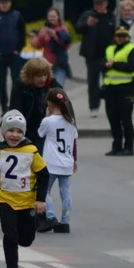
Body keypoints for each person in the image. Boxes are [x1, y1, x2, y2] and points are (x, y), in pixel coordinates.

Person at [0, 111, 48, 268]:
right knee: (10, 236)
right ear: (3, 132)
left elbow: (44, 174)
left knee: (25, 240)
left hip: (27, 201)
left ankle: (36, 221)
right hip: (6, 200)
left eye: (19, 131)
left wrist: (40, 199)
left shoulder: (31, 151)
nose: (14, 135)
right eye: (10, 131)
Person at [36, 88, 77, 234]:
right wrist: (75, 160)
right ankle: (65, 222)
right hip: (67, 162)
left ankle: (51, 216)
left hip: (51, 163)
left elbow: (40, 134)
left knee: (43, 191)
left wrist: (47, 116)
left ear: (49, 103)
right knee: (65, 192)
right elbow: (74, 142)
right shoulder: (70, 122)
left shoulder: (48, 121)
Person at [75, 0, 116, 118]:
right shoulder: (88, 15)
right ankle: (94, 106)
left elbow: (116, 33)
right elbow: (78, 29)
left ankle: (111, 105)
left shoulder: (110, 16)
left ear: (106, 4)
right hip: (92, 55)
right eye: (96, 4)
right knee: (92, 82)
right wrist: (87, 24)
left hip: (107, 55)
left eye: (100, 4)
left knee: (109, 82)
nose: (97, 6)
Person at [9, 56, 60, 153]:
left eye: (44, 75)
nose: (42, 79)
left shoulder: (53, 85)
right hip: (26, 130)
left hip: (44, 131)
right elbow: (14, 110)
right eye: (38, 76)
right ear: (30, 75)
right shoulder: (20, 86)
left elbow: (64, 105)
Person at [102, 27, 134, 157]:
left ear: (128, 37)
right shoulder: (109, 49)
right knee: (113, 119)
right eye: (119, 36)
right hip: (110, 88)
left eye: (124, 36)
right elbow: (101, 64)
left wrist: (114, 64)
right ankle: (116, 146)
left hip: (126, 88)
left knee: (126, 119)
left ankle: (129, 147)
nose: (121, 38)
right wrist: (106, 65)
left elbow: (131, 67)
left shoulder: (132, 49)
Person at [0, 0, 26, 117]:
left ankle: (15, 106)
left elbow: (22, 32)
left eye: (6, 3)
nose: (4, 5)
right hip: (1, 54)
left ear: (10, 3)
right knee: (2, 82)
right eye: (2, 3)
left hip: (14, 53)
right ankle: (4, 107)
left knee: (16, 81)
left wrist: (18, 49)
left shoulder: (16, 16)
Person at [33, 7, 72, 86]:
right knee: (46, 90)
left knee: (58, 89)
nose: (52, 18)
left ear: (58, 17)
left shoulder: (63, 29)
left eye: (54, 16)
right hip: (47, 65)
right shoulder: (44, 29)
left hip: (60, 64)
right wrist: (40, 37)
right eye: (50, 16)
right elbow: (38, 46)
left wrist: (55, 36)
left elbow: (66, 45)